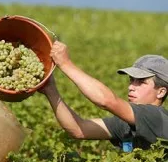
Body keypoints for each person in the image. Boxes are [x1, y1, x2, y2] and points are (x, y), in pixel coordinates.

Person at [40, 40, 168, 152]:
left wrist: (66, 64)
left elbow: (107, 101)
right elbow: (78, 129)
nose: (131, 87)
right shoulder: (125, 124)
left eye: (141, 82)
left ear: (161, 92)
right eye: (131, 80)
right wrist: (51, 90)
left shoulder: (156, 117)